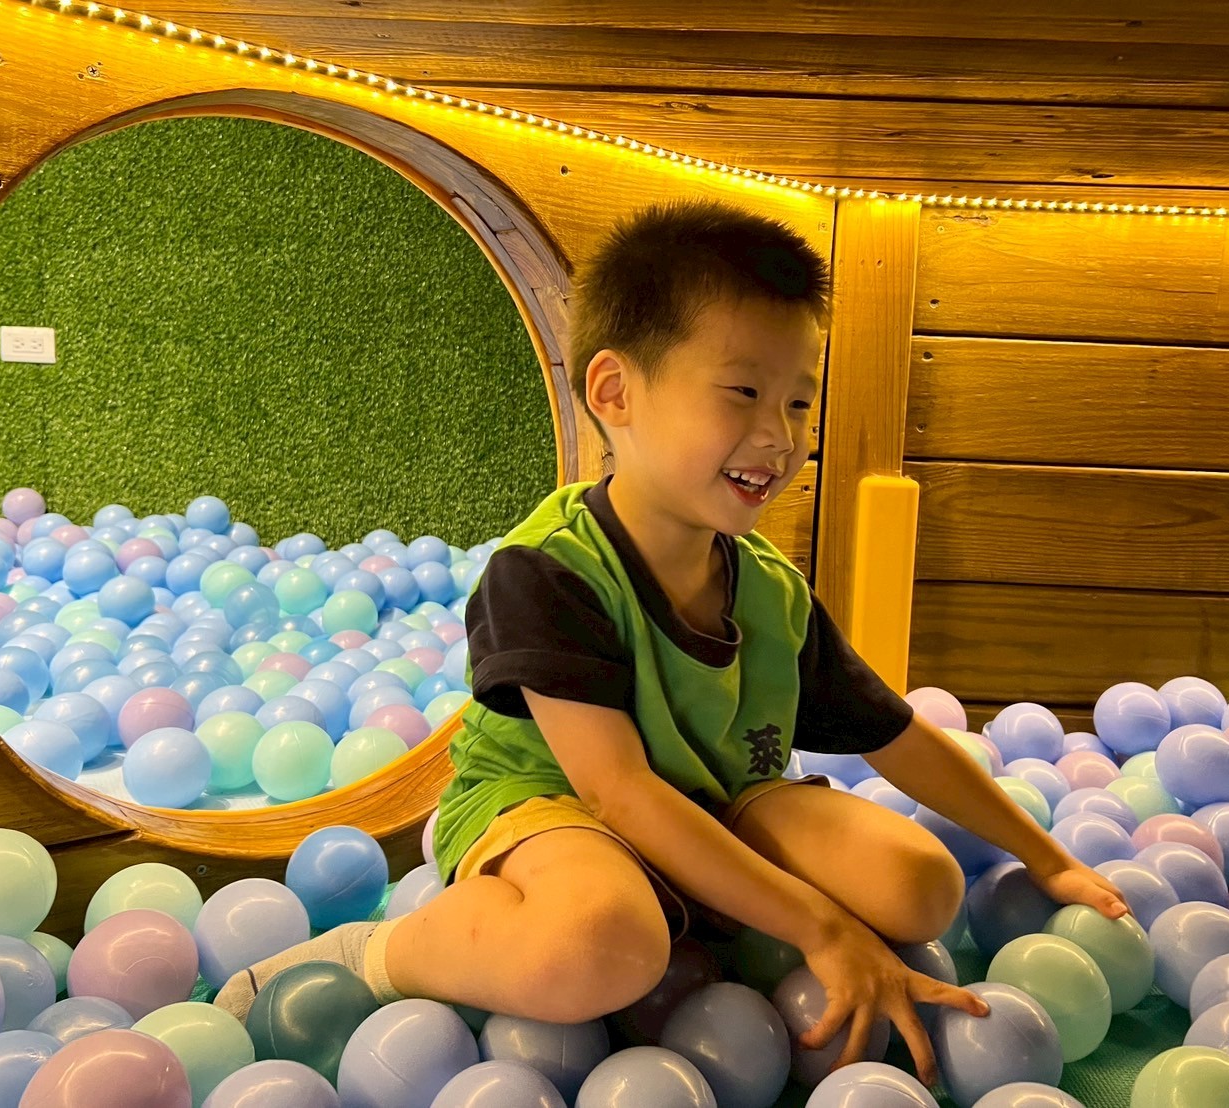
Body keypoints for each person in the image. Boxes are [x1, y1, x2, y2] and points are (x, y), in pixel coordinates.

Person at [215, 197, 1130, 1085]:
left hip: (714, 799)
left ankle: (697, 905)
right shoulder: (547, 572)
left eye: (799, 403)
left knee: (919, 887)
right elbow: (615, 789)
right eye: (743, 392)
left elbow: (894, 736)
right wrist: (818, 927)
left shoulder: (770, 590)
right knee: (600, 945)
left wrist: (1047, 856)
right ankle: (387, 949)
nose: (777, 437)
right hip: (554, 806)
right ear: (615, 392)